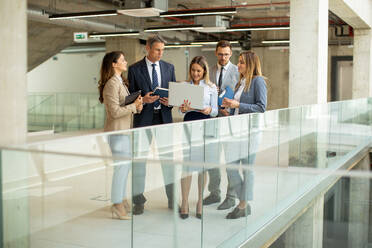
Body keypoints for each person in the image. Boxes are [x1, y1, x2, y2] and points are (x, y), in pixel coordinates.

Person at [128, 35, 176, 215]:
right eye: (157, 50)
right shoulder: (134, 69)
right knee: (139, 162)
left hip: (164, 119)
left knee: (168, 162)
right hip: (143, 120)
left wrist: (169, 101)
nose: (160, 53)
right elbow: (131, 97)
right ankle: (138, 200)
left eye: (163, 50)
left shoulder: (169, 68)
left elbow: (174, 95)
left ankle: (172, 198)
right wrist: (143, 100)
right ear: (147, 48)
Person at [222, 50, 267, 219]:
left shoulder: (258, 81)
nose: (238, 65)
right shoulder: (240, 82)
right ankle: (244, 200)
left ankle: (242, 205)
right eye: (238, 61)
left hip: (250, 132)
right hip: (236, 130)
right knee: (231, 166)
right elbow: (238, 106)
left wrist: (237, 104)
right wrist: (229, 107)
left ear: (250, 64)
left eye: (241, 62)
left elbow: (261, 107)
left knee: (247, 169)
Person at [98, 51, 143, 220]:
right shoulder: (112, 84)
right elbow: (115, 112)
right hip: (117, 133)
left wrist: (137, 105)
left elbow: (125, 106)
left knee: (124, 168)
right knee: (121, 169)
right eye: (122, 60)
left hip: (124, 132)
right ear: (114, 64)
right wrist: (133, 107)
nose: (126, 62)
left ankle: (121, 199)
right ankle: (117, 204)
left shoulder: (121, 82)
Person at [179, 56, 218, 219]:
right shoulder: (184, 86)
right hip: (189, 124)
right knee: (187, 165)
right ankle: (185, 202)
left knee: (202, 165)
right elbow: (181, 110)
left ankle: (200, 202)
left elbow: (216, 111)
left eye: (199, 71)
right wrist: (184, 108)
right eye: (193, 70)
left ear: (204, 72)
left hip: (205, 125)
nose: (195, 74)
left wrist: (209, 109)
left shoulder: (211, 87)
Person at [203, 40, 240, 210]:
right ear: (216, 53)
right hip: (212, 120)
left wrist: (229, 110)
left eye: (226, 54)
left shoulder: (238, 71)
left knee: (231, 161)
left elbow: (240, 96)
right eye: (220, 54)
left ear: (231, 54)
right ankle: (214, 192)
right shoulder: (209, 71)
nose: (223, 57)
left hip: (230, 121)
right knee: (211, 159)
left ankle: (231, 196)